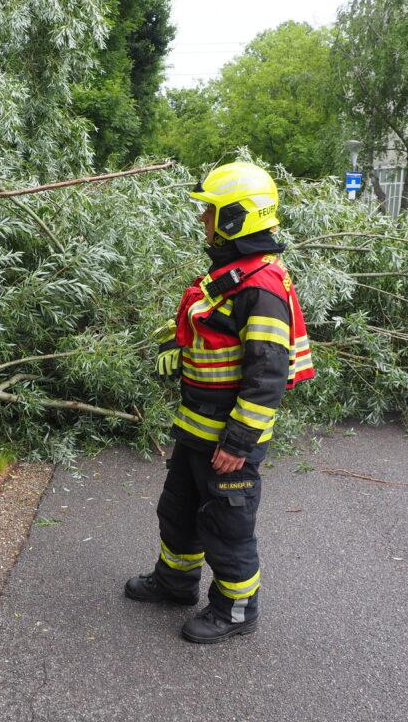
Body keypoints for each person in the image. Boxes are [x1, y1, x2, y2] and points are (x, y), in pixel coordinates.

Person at [125, 161, 315, 644]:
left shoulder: (262, 288)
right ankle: (175, 583)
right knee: (179, 510)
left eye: (210, 212)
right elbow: (215, 333)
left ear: (236, 218)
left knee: (226, 527)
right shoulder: (234, 275)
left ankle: (235, 610)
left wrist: (238, 442)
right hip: (197, 429)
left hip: (228, 442)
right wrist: (178, 346)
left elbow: (267, 375)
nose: (203, 220)